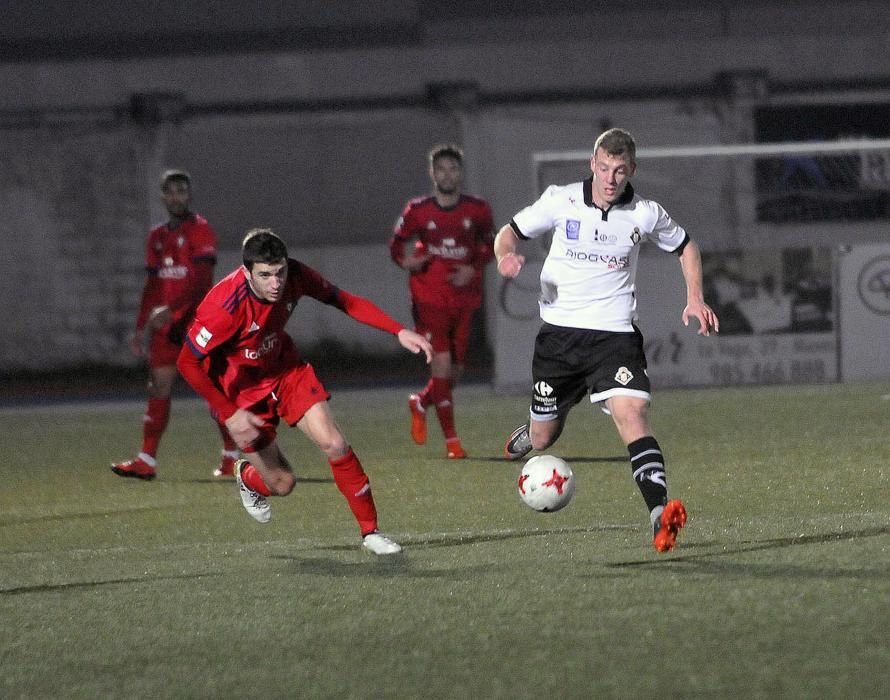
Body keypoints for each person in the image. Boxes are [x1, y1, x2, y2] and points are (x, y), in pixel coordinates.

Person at [495, 128, 719, 553]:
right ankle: (532, 431)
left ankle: (659, 514)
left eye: (620, 170)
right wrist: (505, 255)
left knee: (632, 415)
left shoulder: (645, 213)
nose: (611, 178)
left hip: (614, 337)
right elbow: (508, 233)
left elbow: (687, 247)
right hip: (559, 341)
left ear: (632, 169)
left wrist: (695, 298)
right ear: (591, 164)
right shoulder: (560, 200)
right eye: (604, 168)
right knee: (544, 440)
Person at [176, 228, 433, 555]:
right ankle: (247, 476)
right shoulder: (224, 306)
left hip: (286, 371)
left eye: (279, 272)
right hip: (241, 391)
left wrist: (397, 331)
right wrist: (228, 413)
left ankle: (371, 533)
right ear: (246, 272)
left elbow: (344, 300)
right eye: (265, 275)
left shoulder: (296, 275)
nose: (276, 283)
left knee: (335, 443)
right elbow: (186, 361)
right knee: (282, 484)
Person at [112, 169, 239, 481]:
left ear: (189, 195)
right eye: (170, 192)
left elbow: (201, 281)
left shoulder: (201, 230)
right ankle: (146, 460)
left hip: (198, 322)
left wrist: (169, 310)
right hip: (167, 327)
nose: (176, 197)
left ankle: (231, 457)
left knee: (214, 391)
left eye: (182, 191)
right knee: (158, 386)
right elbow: (153, 284)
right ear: (163, 197)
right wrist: (143, 326)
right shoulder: (157, 236)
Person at [389, 144, 495, 459]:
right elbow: (396, 246)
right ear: (432, 173)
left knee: (453, 376)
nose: (447, 174)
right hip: (429, 298)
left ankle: (421, 401)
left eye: (453, 169)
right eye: (441, 169)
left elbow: (491, 245)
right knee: (442, 367)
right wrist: (406, 262)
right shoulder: (418, 210)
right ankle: (453, 443)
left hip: (463, 300)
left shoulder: (477, 209)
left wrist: (472, 267)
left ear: (460, 173)